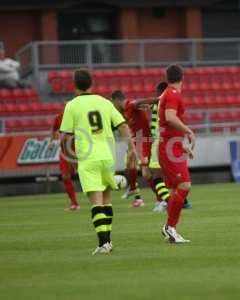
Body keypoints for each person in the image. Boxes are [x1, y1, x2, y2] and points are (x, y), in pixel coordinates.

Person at [60, 69, 134, 255]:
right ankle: (107, 241)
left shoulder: (71, 105)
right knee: (107, 200)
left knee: (96, 203)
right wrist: (132, 148)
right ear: (92, 83)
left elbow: (65, 137)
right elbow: (123, 125)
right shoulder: (105, 102)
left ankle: (103, 244)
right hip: (107, 156)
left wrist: (71, 159)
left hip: (88, 158)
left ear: (74, 85)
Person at [110, 89, 170, 209]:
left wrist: (159, 100)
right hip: (138, 143)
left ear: (116, 100)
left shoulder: (130, 105)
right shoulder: (123, 112)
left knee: (148, 173)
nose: (113, 106)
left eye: (113, 103)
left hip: (144, 141)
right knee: (138, 169)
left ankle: (163, 201)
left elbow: (141, 102)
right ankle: (136, 191)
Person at [158, 64, 195, 243]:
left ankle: (170, 228)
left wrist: (181, 145)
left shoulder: (167, 93)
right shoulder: (172, 93)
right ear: (182, 77)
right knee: (184, 185)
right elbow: (170, 118)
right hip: (169, 147)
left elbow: (168, 124)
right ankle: (170, 227)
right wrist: (188, 130)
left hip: (172, 145)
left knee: (178, 188)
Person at [50, 111, 80, 211]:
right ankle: (74, 204)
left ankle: (100, 197)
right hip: (65, 152)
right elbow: (54, 130)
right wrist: (51, 142)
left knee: (87, 174)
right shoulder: (59, 117)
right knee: (65, 176)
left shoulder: (77, 116)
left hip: (79, 150)